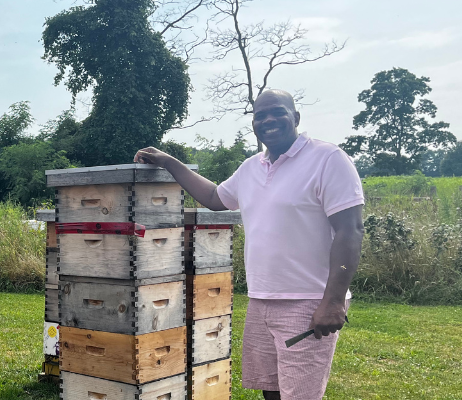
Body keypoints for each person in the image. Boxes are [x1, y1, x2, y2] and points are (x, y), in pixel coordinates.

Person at [135, 89, 364, 400]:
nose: (268, 119)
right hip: (261, 300)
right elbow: (216, 198)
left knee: (300, 395)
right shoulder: (251, 167)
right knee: (270, 389)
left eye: (277, 112)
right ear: (254, 123)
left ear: (295, 117)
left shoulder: (327, 159)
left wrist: (334, 301)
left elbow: (350, 230)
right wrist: (170, 162)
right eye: (260, 115)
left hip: (308, 300)